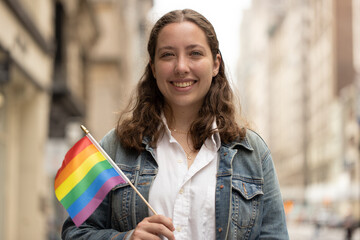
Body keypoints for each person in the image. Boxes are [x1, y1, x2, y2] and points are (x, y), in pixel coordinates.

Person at [62, 9, 289, 240]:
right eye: (168, 55)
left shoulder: (252, 153)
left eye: (195, 53)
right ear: (153, 67)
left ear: (215, 64)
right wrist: (126, 238)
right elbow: (74, 232)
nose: (181, 67)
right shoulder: (113, 147)